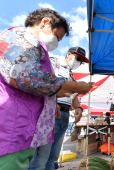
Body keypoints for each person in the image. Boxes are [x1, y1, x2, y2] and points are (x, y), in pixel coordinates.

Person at [0, 8, 92, 170]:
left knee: (41, 159)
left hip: (29, 123)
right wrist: (76, 86)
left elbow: (42, 87)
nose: (56, 42)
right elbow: (27, 76)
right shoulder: (20, 38)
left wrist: (52, 102)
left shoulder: (36, 47)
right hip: (14, 124)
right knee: (29, 163)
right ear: (45, 22)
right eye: (57, 36)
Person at [28, 46, 88, 170]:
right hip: (51, 113)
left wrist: (79, 108)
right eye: (78, 58)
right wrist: (52, 101)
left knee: (53, 157)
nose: (79, 62)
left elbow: (73, 96)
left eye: (81, 61)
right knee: (40, 159)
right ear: (68, 54)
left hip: (64, 116)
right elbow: (43, 84)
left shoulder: (70, 74)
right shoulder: (53, 63)